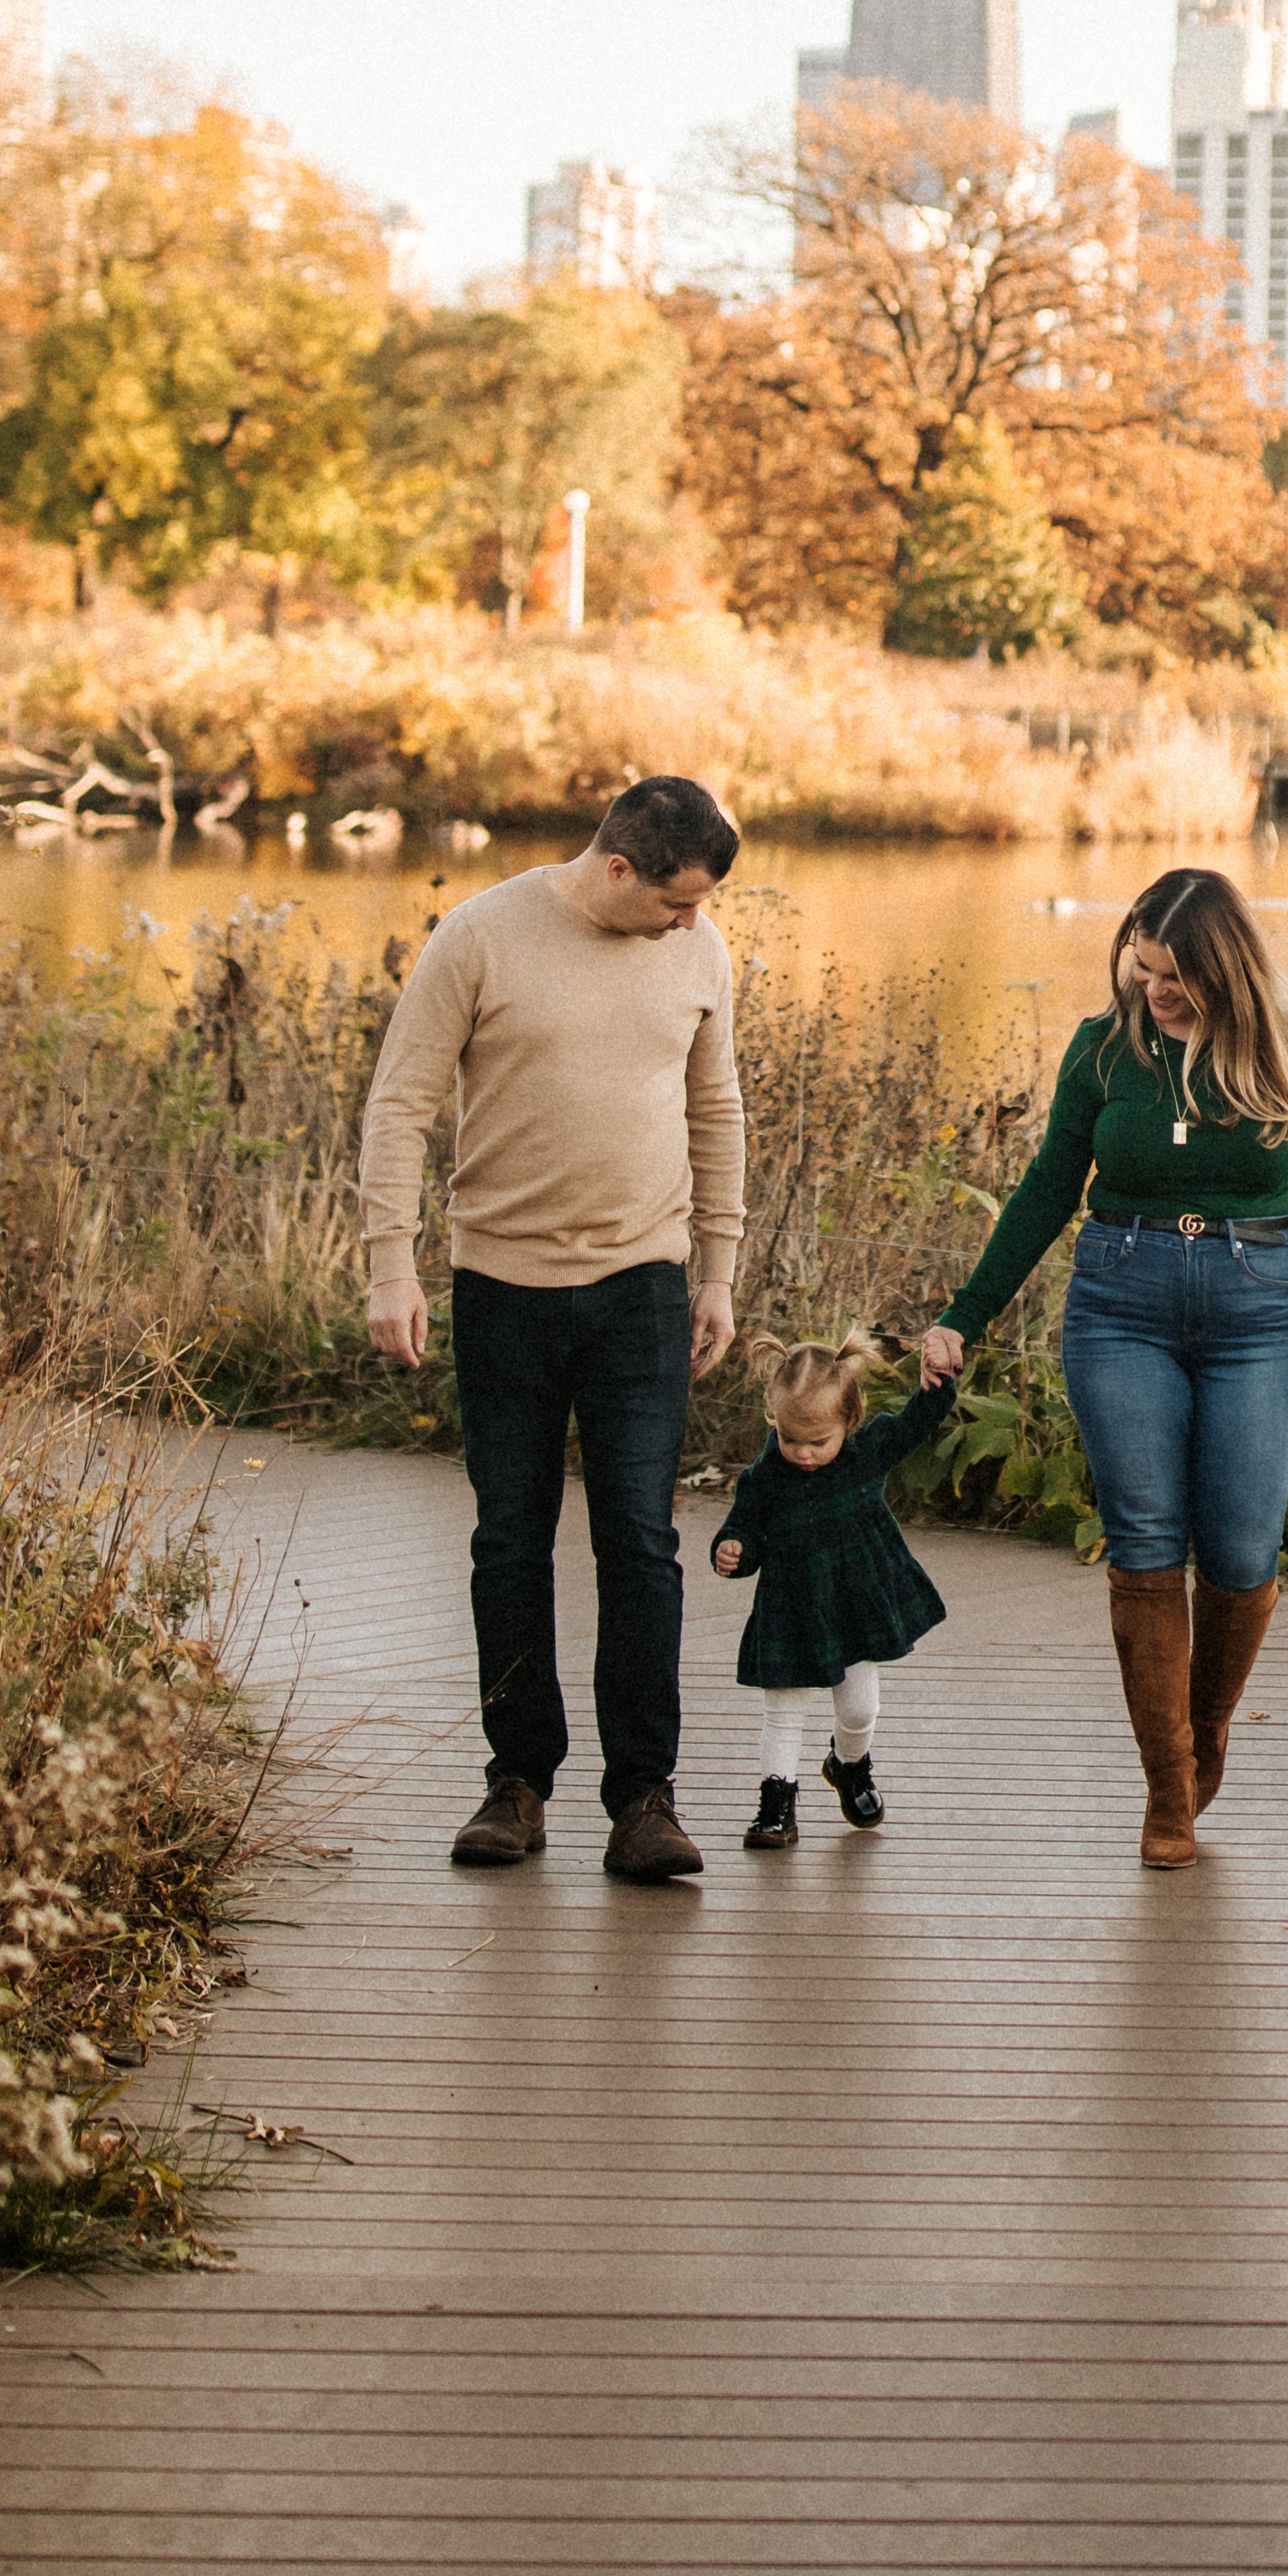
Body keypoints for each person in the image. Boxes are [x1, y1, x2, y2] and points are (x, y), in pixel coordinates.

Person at [916, 865, 1288, 1868]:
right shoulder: (1101, 1049)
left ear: (1225, 970)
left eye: (1173, 976)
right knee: (1142, 1535)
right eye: (1142, 969)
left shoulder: (1284, 1041)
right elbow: (1048, 1186)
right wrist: (965, 1314)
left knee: (1242, 1546)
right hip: (1117, 1299)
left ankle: (1202, 1726)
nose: (1152, 992)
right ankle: (1166, 1785)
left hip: (1255, 1306)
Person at [359, 772, 744, 1887]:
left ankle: (642, 1800)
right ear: (616, 867)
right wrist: (393, 1263)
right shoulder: (479, 936)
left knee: (638, 1545)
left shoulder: (698, 948)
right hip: (503, 1288)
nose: (692, 921)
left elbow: (714, 1107)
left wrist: (714, 1270)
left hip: (642, 1290)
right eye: (675, 899)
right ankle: (516, 1781)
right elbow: (400, 1103)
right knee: (507, 1540)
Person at [711, 1337, 961, 1849]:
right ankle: (775, 1805)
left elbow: (918, 1421)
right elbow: (745, 1528)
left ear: (849, 1423)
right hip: (789, 1606)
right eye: (789, 1438)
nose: (803, 1453)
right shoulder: (764, 1478)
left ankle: (848, 1765)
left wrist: (938, 1380)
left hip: (854, 1604)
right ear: (773, 1421)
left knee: (859, 1709)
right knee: (782, 1709)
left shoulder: (866, 1453)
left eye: (817, 1441)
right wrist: (733, 1547)